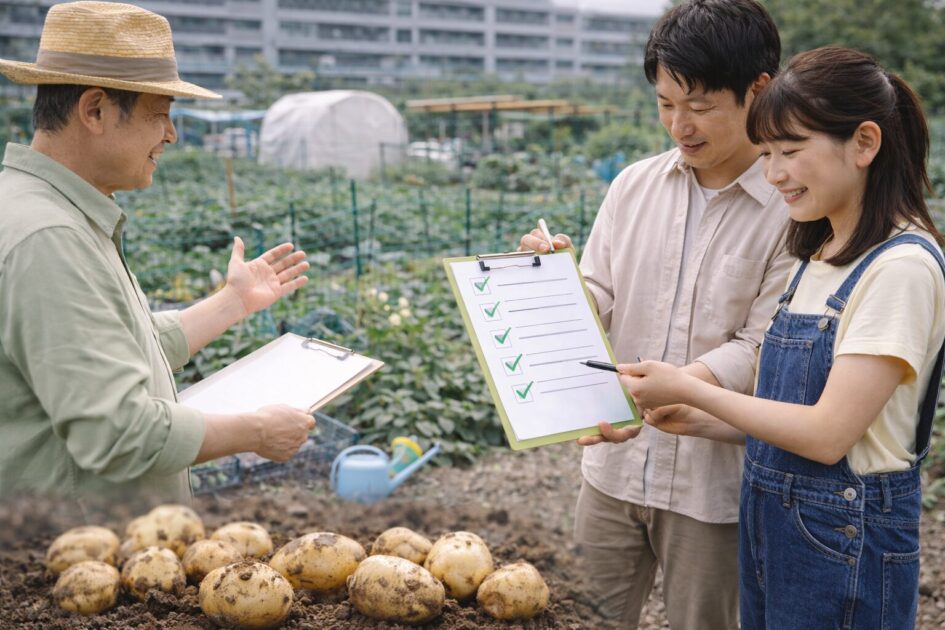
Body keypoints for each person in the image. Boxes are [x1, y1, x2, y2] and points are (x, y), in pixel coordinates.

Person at [627, 46, 945, 629]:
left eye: (791, 151)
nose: (774, 173)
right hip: (779, 529)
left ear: (864, 144)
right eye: (768, 152)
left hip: (845, 539)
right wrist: (696, 419)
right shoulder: (820, 255)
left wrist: (695, 389)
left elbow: (828, 436)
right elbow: (794, 418)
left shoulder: (899, 268)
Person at [519, 1, 792, 627]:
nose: (679, 125)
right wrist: (555, 289)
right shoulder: (633, 186)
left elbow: (762, 345)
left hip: (713, 483)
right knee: (582, 616)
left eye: (699, 106)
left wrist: (676, 386)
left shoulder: (790, 207)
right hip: (612, 468)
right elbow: (599, 296)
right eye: (666, 103)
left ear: (759, 91)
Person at [0, 2, 316, 506]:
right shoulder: (49, 237)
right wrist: (256, 431)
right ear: (95, 110)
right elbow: (117, 432)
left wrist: (233, 302)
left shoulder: (42, 210)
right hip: (78, 559)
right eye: (160, 115)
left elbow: (118, 349)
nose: (170, 134)